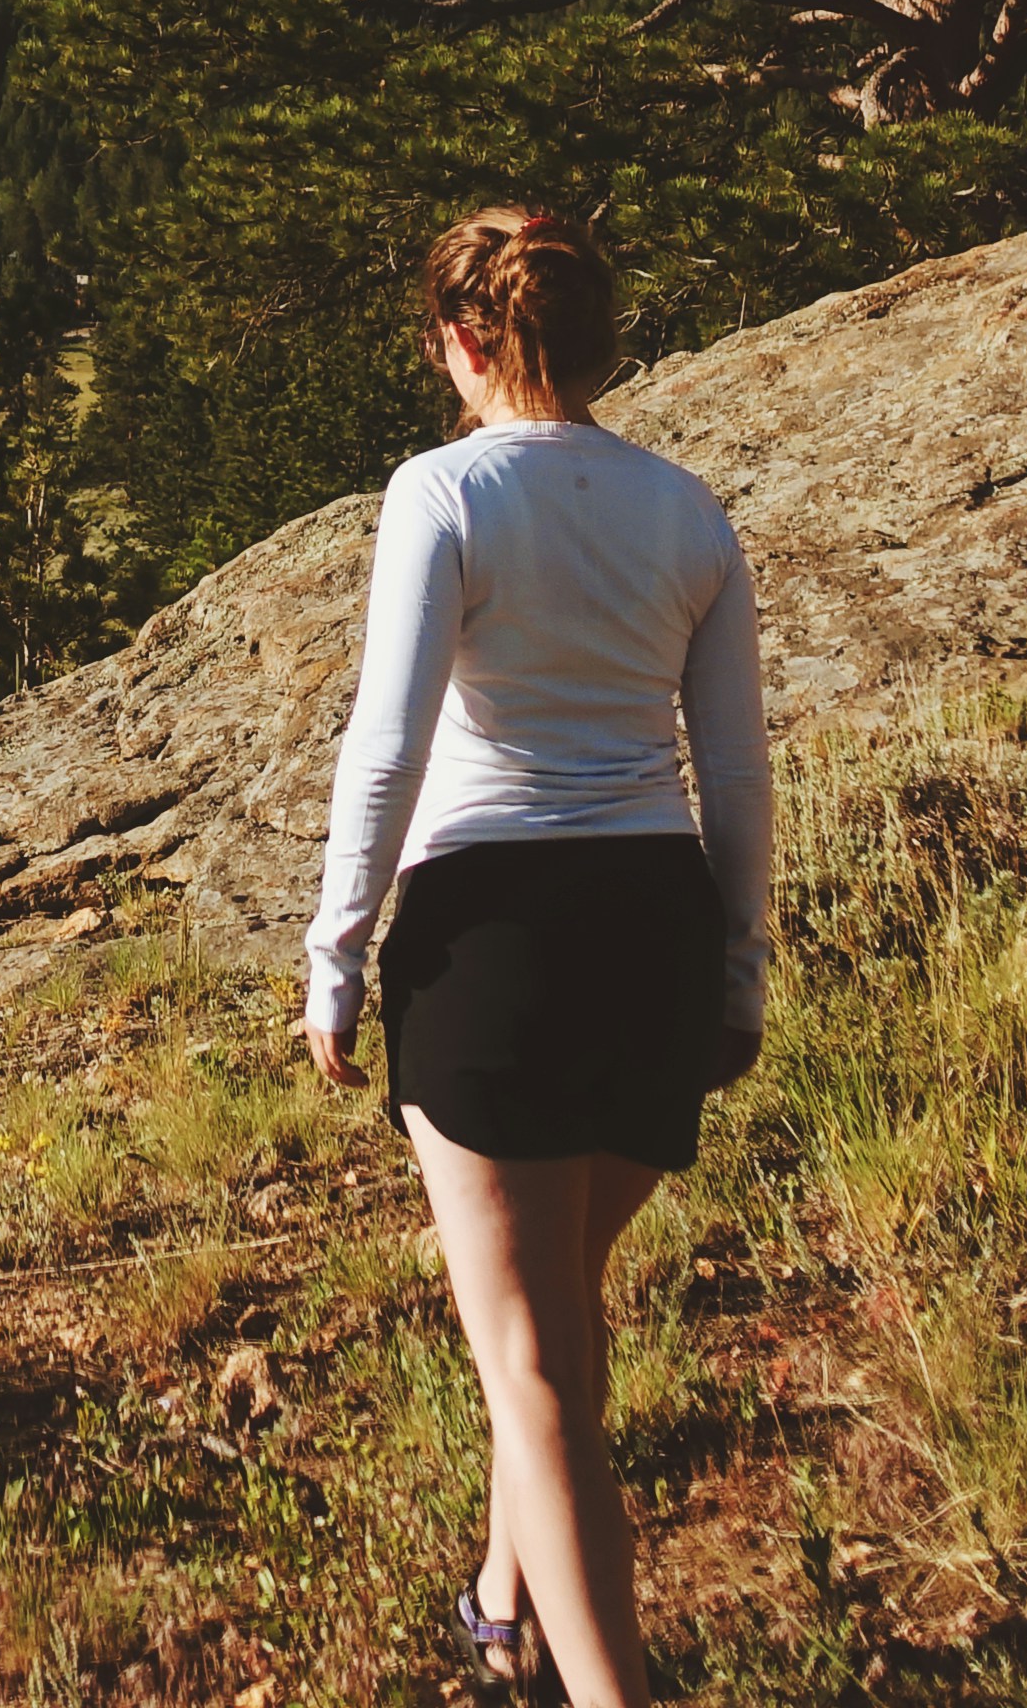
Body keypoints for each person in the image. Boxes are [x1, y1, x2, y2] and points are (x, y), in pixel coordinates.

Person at [299, 206, 770, 1707]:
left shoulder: (441, 495)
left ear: (464, 341)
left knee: (537, 1366)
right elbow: (738, 771)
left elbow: (387, 749)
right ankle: (503, 1603)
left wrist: (336, 957)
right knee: (558, 1315)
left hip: (492, 937)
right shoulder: (687, 511)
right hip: (656, 928)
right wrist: (743, 969)